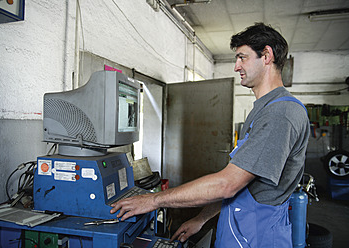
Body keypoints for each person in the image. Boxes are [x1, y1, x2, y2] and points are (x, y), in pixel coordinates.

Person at [110, 22, 310, 247]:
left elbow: (228, 184)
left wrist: (154, 200)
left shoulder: (280, 113)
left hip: (258, 237)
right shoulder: (262, 110)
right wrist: (201, 218)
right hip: (239, 229)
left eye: (242, 57)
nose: (236, 66)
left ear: (266, 55)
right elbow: (240, 182)